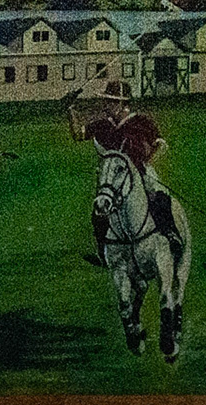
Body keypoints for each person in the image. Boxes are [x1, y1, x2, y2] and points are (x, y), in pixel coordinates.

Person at [67, 80, 181, 268]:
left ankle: (171, 235)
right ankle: (103, 251)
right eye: (106, 102)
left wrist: (147, 162)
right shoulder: (103, 125)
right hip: (114, 177)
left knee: (158, 195)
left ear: (122, 104)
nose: (106, 106)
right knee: (99, 209)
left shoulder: (141, 122)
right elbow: (78, 134)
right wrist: (70, 109)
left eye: (110, 102)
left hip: (140, 171)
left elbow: (161, 144)